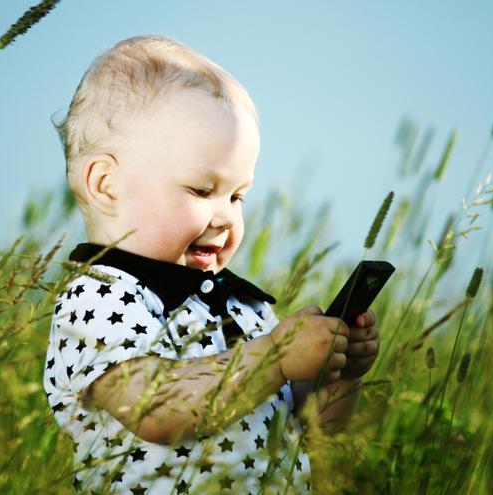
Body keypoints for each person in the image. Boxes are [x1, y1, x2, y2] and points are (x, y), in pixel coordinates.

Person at [43, 34, 380, 494]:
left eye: (238, 196)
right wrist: (276, 357)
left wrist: (337, 371)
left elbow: (316, 430)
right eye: (202, 191)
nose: (226, 217)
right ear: (106, 185)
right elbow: (156, 407)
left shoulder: (246, 308)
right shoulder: (100, 296)